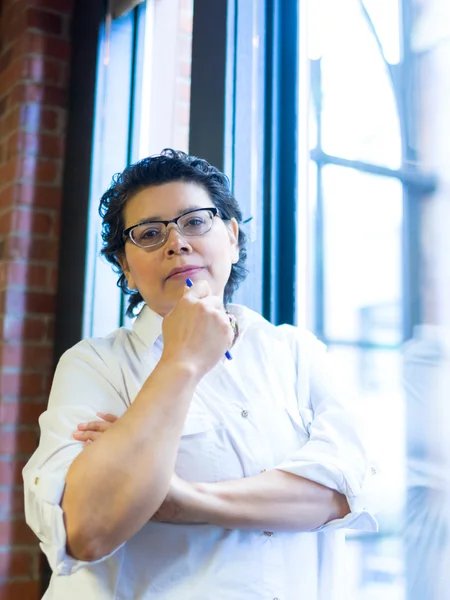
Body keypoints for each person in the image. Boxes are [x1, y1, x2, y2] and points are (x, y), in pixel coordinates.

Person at [23, 149, 377, 600]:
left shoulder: (298, 353)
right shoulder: (94, 364)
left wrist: (174, 497)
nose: (177, 242)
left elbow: (340, 497)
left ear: (231, 236)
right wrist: (181, 362)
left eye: (194, 221)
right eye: (150, 233)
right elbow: (87, 529)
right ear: (127, 269)